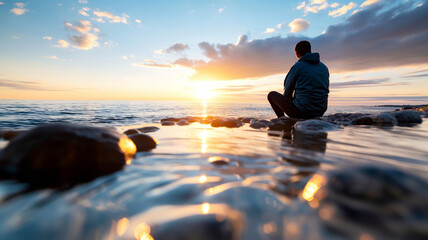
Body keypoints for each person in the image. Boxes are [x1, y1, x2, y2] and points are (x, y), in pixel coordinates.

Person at [268, 40, 329, 119]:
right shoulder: (324, 67)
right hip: (320, 111)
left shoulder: (298, 66)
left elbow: (288, 90)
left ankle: (282, 120)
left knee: (271, 95)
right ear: (310, 51)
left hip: (301, 111)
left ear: (296, 53)